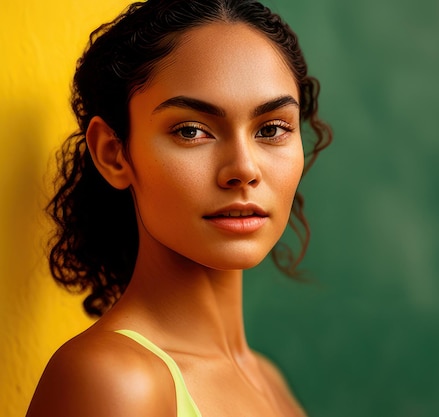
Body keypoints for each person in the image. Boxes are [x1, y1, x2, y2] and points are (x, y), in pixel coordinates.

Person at [26, 0, 332, 416]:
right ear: (113, 153)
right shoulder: (111, 382)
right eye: (191, 131)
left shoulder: (268, 379)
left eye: (272, 129)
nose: (243, 169)